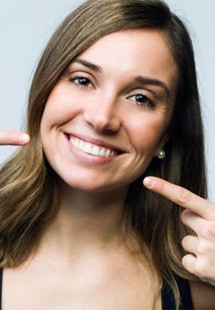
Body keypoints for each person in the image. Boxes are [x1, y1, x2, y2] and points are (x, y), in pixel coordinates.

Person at [0, 0, 215, 308]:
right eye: (83, 80)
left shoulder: (200, 285)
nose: (101, 118)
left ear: (165, 135)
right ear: (44, 91)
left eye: (141, 98)